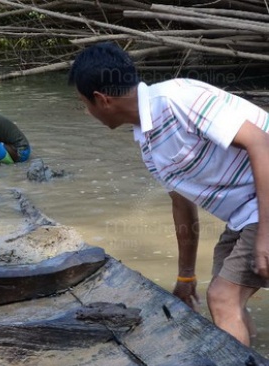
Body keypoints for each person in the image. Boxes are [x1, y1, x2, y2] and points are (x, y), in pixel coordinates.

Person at [68, 42, 269, 346]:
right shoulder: (148, 145)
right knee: (223, 292)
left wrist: (266, 232)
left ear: (102, 99)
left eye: (84, 103)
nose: (86, 112)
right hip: (244, 214)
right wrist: (186, 277)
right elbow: (182, 206)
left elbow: (260, 142)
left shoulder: (178, 98)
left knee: (222, 297)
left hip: (261, 208)